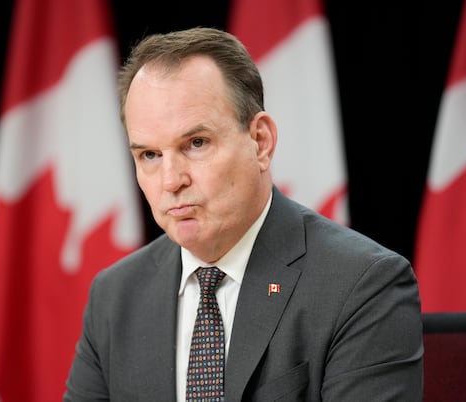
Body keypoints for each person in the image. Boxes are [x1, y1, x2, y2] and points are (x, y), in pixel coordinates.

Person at [63, 27, 423, 402]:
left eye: (196, 143)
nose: (170, 181)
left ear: (261, 142)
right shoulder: (115, 296)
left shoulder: (361, 285)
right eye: (149, 155)